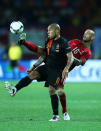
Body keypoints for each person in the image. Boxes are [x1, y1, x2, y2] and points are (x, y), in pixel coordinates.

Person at [17, 29, 95, 119]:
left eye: (88, 34)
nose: (85, 35)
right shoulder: (75, 41)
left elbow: (80, 62)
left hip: (62, 71)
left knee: (60, 92)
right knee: (41, 51)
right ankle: (24, 42)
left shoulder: (87, 52)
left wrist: (72, 58)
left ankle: (64, 112)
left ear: (92, 37)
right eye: (85, 33)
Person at [5, 23, 73, 121]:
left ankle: (56, 116)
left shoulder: (63, 42)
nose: (48, 32)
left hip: (57, 70)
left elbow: (70, 57)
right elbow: (44, 56)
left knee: (51, 90)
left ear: (57, 31)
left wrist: (66, 68)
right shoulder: (48, 41)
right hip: (47, 67)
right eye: (47, 30)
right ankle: (15, 89)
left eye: (50, 30)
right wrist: (34, 66)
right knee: (32, 74)